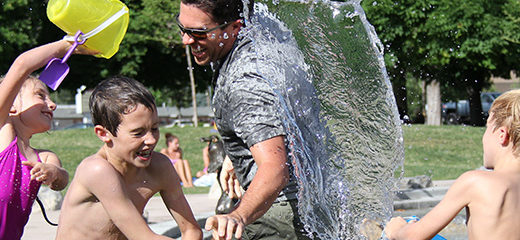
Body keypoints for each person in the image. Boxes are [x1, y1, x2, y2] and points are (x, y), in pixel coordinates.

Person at [177, 0, 315, 239]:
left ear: (235, 27)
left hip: (280, 215)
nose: (187, 40)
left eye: (198, 33)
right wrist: (237, 152)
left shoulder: (245, 83)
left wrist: (237, 216)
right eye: (183, 28)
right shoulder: (267, 35)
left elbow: (275, 168)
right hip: (313, 200)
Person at [55, 77, 202, 240]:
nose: (152, 139)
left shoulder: (160, 167)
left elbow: (191, 230)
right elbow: (144, 238)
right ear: (103, 134)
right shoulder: (96, 170)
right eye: (138, 133)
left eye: (154, 128)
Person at [384, 89, 520, 240]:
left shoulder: (476, 182)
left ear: (502, 135)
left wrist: (396, 230)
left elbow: (413, 237)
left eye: (487, 127)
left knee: (409, 225)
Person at [0, 40, 72, 239]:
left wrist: (53, 173)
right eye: (41, 96)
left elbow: (62, 180)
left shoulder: (45, 157)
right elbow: (22, 65)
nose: (53, 104)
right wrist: (67, 45)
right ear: (12, 105)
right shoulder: (2, 131)